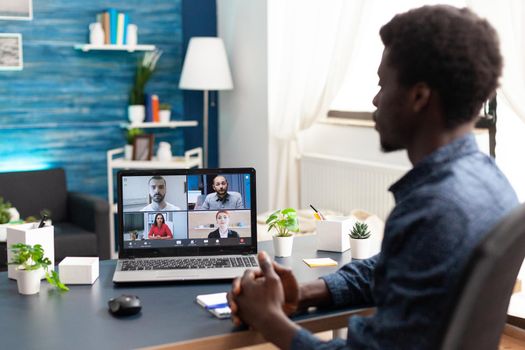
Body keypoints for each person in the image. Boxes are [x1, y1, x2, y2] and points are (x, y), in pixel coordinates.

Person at [227, 5, 519, 350]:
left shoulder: (434, 208)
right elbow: (393, 266)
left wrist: (269, 321)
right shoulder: (492, 183)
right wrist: (304, 292)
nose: (375, 99)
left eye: (383, 83)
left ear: (419, 96)